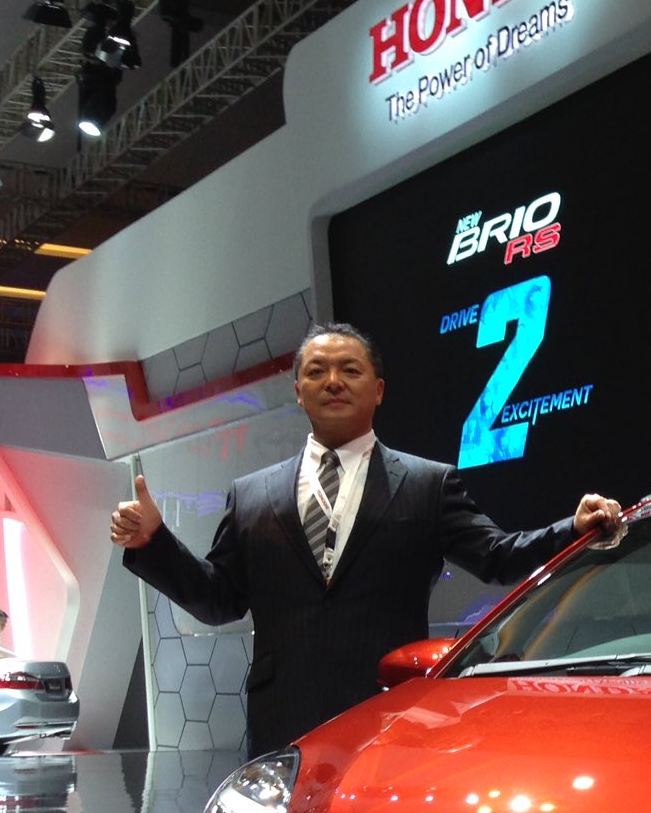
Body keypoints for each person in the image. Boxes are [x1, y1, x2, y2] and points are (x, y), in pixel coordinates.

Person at [110, 321, 623, 751]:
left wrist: (572, 529)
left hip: (391, 716)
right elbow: (218, 600)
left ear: (378, 390)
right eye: (317, 371)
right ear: (298, 391)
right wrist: (154, 542)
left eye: (350, 370)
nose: (333, 381)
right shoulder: (251, 495)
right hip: (284, 721)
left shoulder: (427, 484)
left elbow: (497, 557)